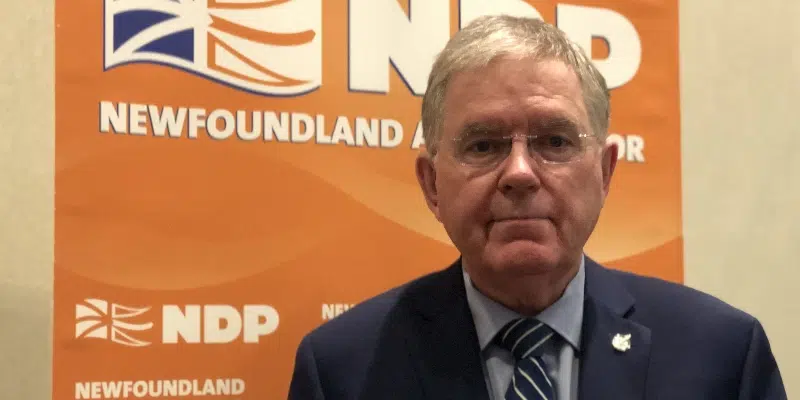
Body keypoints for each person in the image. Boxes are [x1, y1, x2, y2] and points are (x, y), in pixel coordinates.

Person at [287, 15, 786, 400]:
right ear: (432, 184)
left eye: (555, 141)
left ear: (605, 171)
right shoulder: (341, 370)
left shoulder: (723, 356)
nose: (520, 173)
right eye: (483, 145)